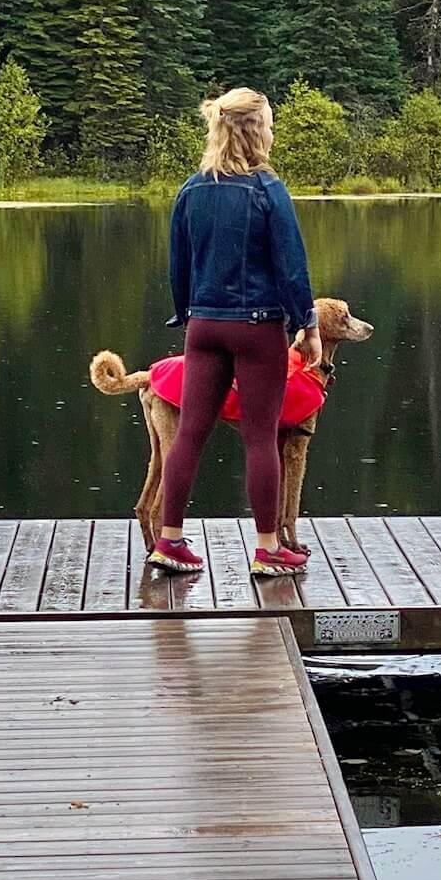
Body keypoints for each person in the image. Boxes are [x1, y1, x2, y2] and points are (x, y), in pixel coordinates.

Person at [149, 87, 322, 578]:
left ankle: (170, 541)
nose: (271, 131)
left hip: (203, 325)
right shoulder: (268, 189)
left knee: (190, 433)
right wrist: (306, 324)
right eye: (268, 123)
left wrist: (187, 313)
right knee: (260, 438)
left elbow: (178, 264)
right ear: (253, 131)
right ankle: (268, 550)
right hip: (258, 326)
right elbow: (292, 267)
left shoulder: (192, 189)